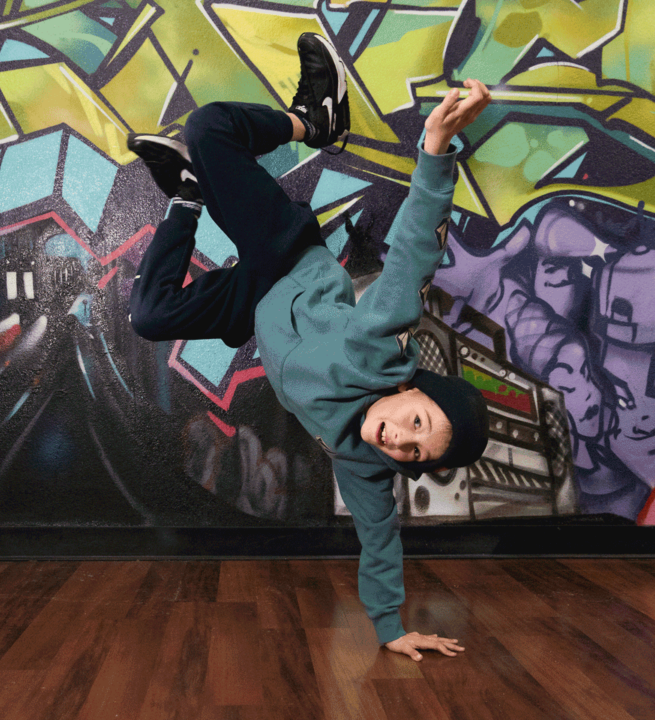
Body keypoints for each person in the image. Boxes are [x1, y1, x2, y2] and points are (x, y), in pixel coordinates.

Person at [127, 32, 492, 661]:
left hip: (256, 303)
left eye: (412, 451)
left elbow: (381, 537)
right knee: (211, 126)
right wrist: (435, 154)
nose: (399, 439)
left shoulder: (361, 459)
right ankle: (314, 119)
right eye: (417, 423)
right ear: (411, 390)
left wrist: (390, 628)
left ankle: (186, 195)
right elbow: (409, 260)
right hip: (288, 257)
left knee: (151, 314)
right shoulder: (378, 352)